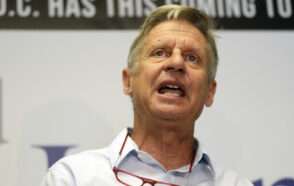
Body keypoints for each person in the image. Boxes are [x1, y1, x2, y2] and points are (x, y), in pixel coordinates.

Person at [41, 4, 253, 186]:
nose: (176, 63)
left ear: (210, 92)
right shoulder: (73, 177)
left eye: (192, 57)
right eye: (159, 53)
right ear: (128, 81)